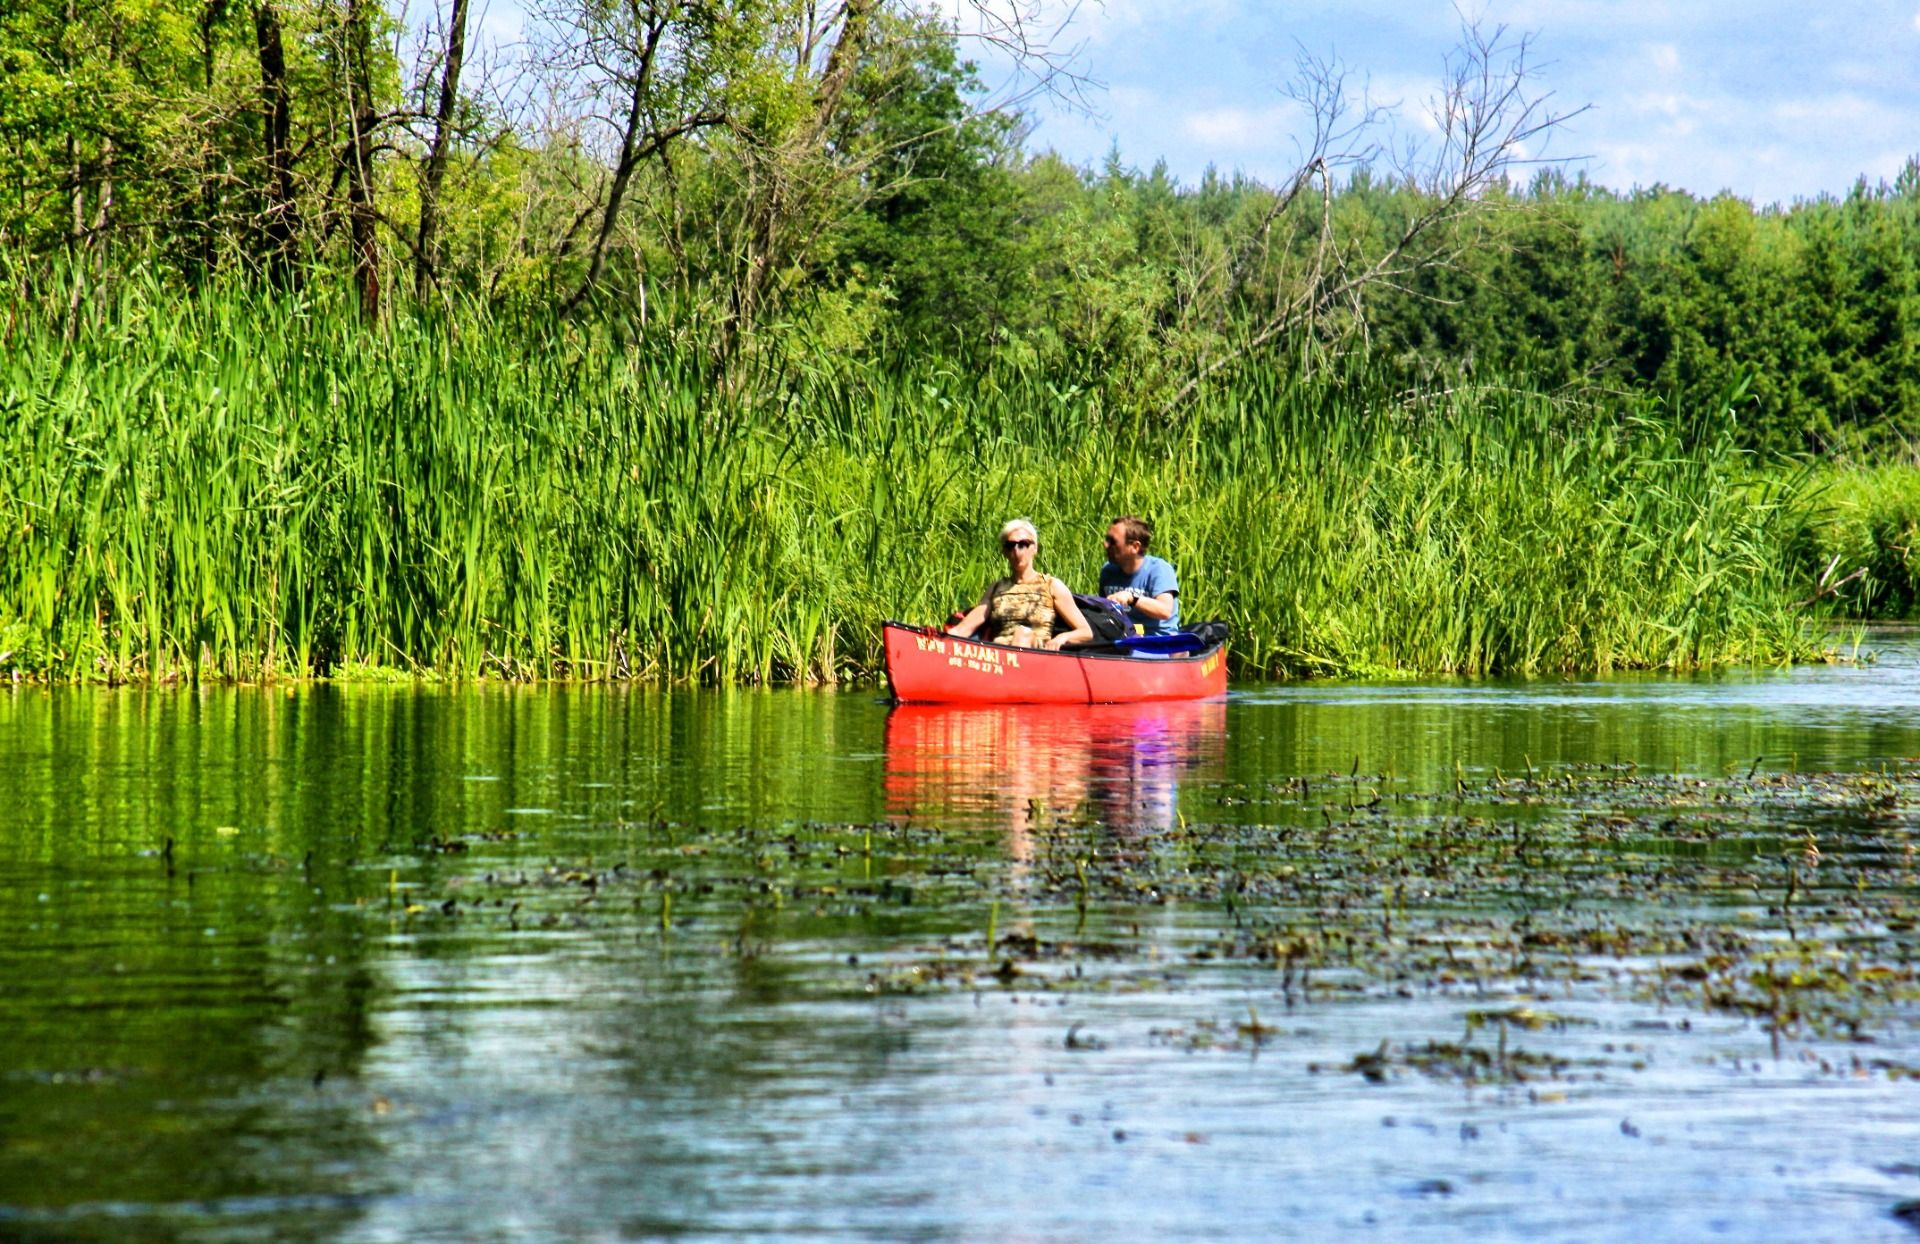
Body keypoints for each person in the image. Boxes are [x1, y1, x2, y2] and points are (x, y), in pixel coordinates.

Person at [947, 518, 1094, 650]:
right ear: (1004, 551)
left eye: (1023, 544)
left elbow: (1085, 631)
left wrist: (1062, 638)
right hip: (999, 654)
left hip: (1036, 654)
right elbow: (962, 630)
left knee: (1022, 633)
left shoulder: (1051, 585)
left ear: (1034, 548)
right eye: (1011, 545)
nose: (1017, 550)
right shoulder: (996, 588)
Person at [1099, 515, 1181, 636]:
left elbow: (1164, 611)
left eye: (1112, 541)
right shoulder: (1108, 571)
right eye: (1106, 539)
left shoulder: (1159, 570)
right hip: (1123, 637)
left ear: (1135, 547)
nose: (1106, 545)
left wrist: (1132, 598)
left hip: (1158, 640)